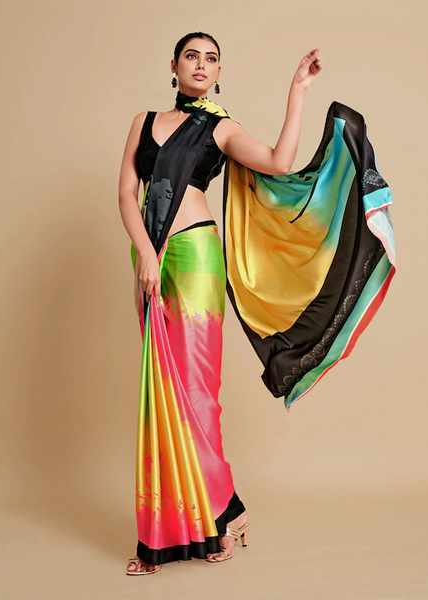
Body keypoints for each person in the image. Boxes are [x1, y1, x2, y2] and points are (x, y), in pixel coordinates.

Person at [118, 32, 324, 575]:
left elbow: (278, 162)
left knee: (193, 391)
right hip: (150, 260)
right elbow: (126, 194)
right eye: (192, 56)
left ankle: (224, 511)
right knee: (161, 393)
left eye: (211, 59)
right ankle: (165, 535)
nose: (201, 65)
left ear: (217, 71)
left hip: (196, 257)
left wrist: (297, 91)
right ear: (174, 65)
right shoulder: (143, 121)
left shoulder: (219, 126)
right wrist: (145, 253)